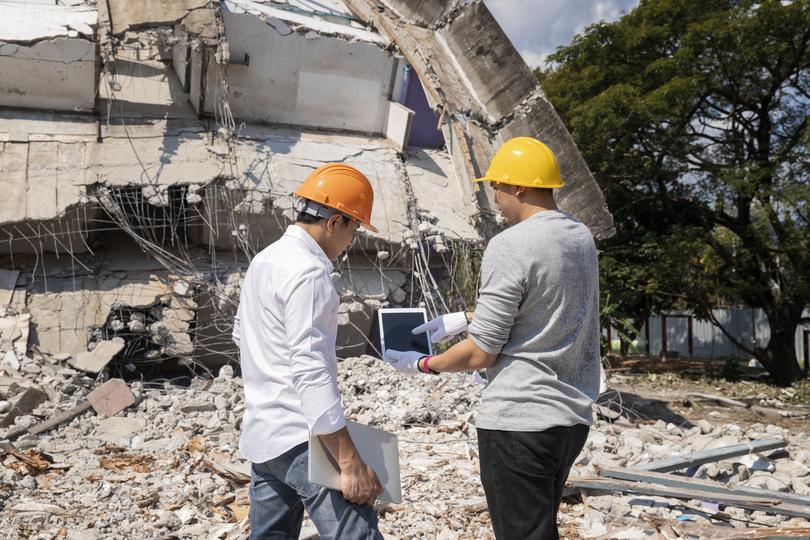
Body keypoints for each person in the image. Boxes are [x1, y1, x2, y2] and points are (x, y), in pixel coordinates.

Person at [384, 137, 600, 540]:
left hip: (520, 421)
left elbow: (482, 354)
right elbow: (548, 305)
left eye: (497, 187)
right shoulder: (579, 237)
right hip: (570, 419)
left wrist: (422, 364)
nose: (495, 197)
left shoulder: (510, 244)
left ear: (519, 187)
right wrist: (467, 317)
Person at [233, 163, 384, 539]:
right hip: (303, 438)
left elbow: (242, 336)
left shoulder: (265, 260)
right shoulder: (310, 272)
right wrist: (349, 462)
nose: (351, 242)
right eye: (354, 229)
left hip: (264, 437)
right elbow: (310, 368)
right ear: (335, 222)